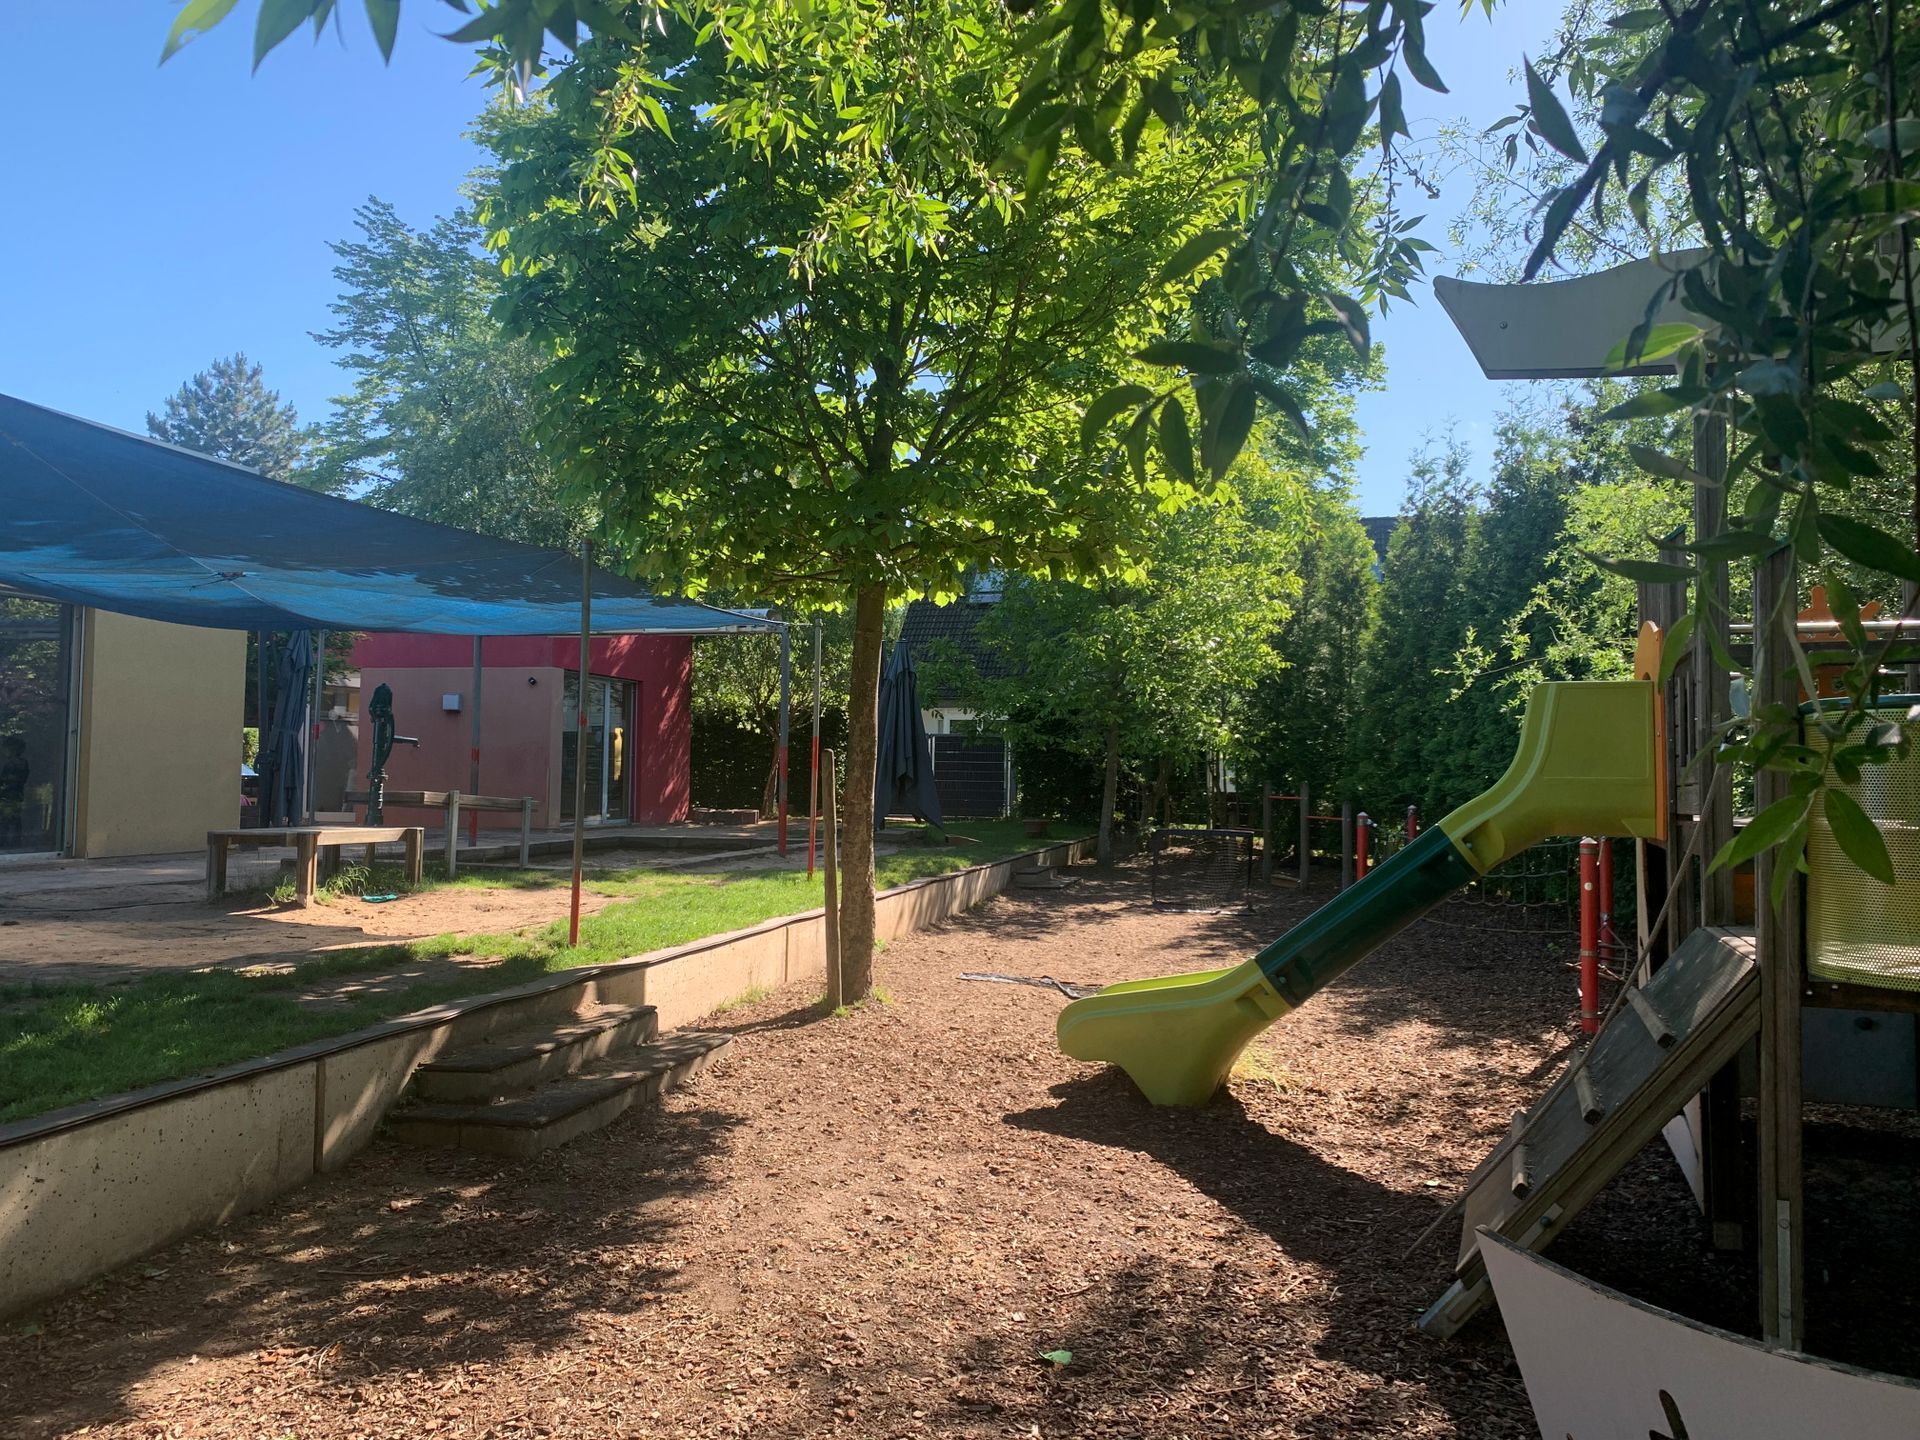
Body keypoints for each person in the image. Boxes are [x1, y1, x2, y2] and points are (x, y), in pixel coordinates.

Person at [0, 734, 28, 848]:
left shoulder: (10, 764)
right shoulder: (23, 763)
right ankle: (15, 843)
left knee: (5, 821)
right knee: (15, 820)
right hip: (17, 797)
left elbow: (4, 780)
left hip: (7, 797)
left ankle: (5, 843)